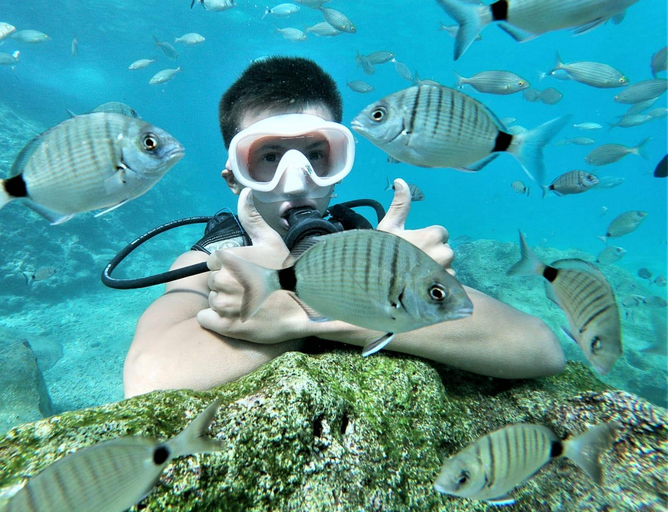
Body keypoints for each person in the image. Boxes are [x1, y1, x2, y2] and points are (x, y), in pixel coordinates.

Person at [123, 56, 565, 397]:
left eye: (316, 155)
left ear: (339, 169)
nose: (296, 182)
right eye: (269, 158)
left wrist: (294, 311)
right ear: (234, 176)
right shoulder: (208, 262)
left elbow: (540, 348)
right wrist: (365, 309)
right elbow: (147, 379)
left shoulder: (377, 249)